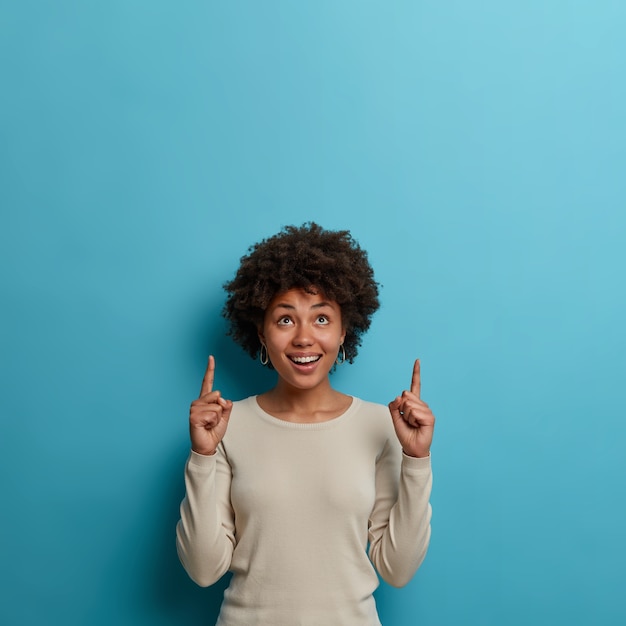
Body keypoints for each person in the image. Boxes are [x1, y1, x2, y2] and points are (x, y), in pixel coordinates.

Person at [176, 222, 435, 626]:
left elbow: (397, 570)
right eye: (284, 320)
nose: (302, 338)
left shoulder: (380, 426)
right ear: (261, 333)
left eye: (321, 319)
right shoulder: (228, 426)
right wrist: (202, 456)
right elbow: (204, 569)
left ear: (344, 329)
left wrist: (417, 460)